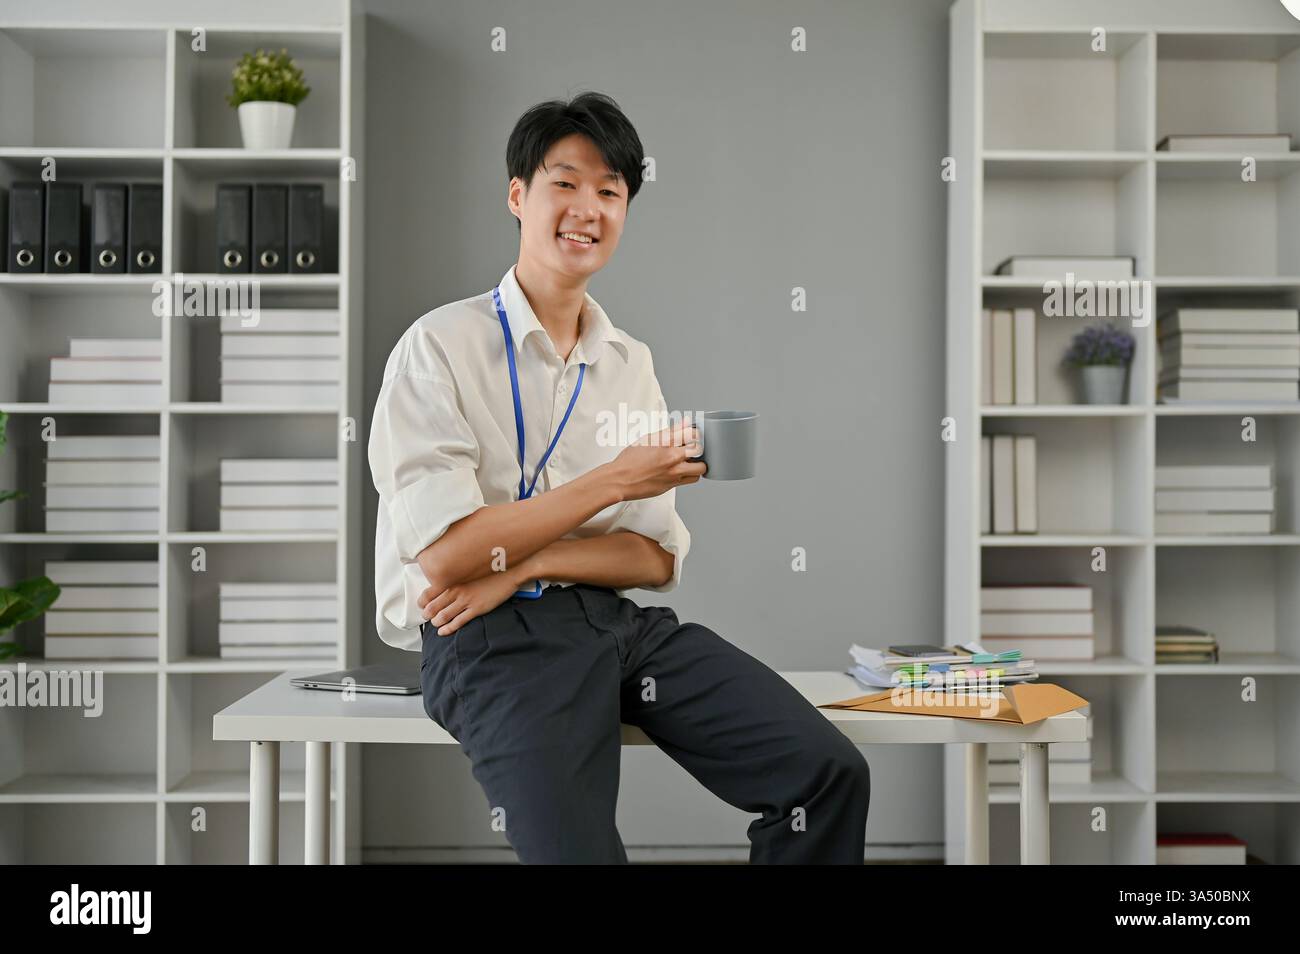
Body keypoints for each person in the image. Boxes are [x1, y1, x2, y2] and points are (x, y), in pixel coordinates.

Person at [368, 91, 869, 863]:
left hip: (613, 625)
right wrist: (610, 484)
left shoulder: (628, 361)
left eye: (610, 191)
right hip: (489, 638)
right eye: (564, 183)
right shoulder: (438, 347)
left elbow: (654, 557)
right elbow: (446, 558)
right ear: (517, 196)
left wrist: (530, 560)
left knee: (827, 773)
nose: (587, 209)